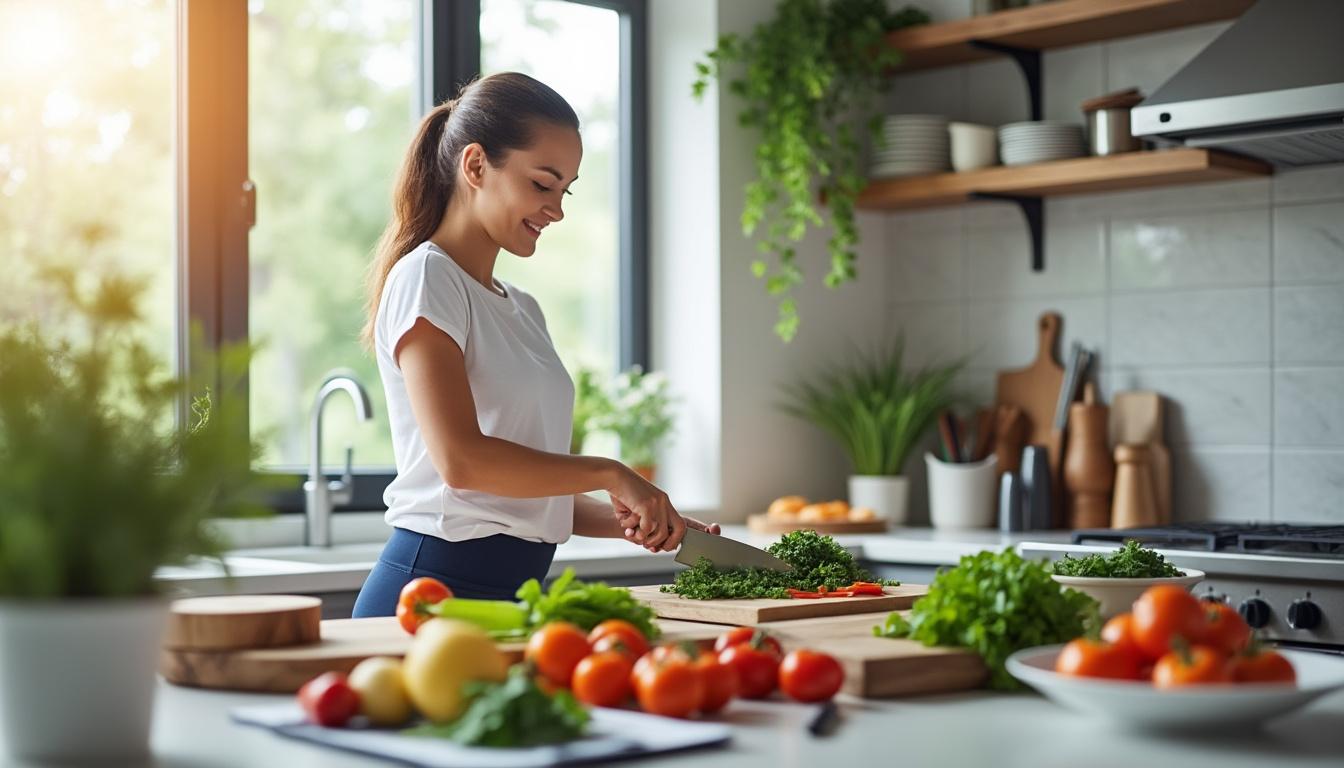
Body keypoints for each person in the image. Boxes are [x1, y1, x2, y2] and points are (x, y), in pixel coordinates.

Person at [351, 72, 719, 617]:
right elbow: (462, 463)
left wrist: (641, 519)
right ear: (476, 166)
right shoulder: (428, 278)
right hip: (430, 592)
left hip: (513, 597)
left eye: (565, 190)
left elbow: (522, 497)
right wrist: (613, 473)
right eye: (543, 185)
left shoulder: (523, 308)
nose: (558, 209)